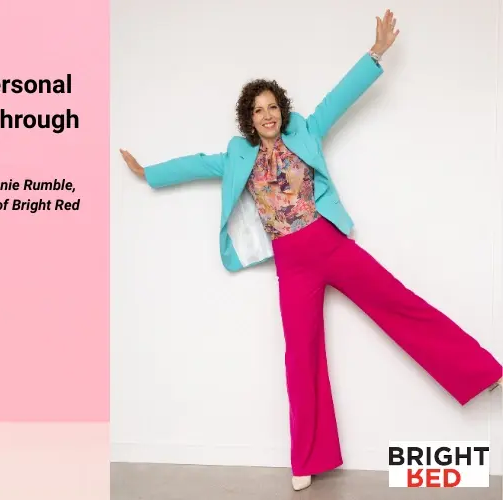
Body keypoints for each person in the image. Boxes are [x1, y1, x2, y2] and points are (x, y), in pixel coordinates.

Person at [119, 9, 502, 492]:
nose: (268, 115)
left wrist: (375, 53)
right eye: (258, 109)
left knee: (399, 304)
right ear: (248, 118)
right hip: (291, 264)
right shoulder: (238, 156)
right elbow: (196, 164)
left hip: (329, 242)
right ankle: (308, 458)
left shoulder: (306, 131)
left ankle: (483, 372)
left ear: (282, 109)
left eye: (272, 106)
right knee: (301, 356)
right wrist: (147, 173)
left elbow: (338, 98)